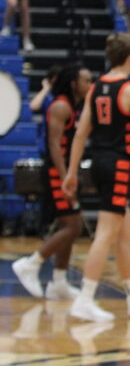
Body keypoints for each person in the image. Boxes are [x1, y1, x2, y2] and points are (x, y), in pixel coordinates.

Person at [62, 33, 130, 322]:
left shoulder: (96, 87)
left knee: (124, 233)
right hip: (119, 164)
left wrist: (71, 171)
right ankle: (85, 298)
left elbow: (81, 133)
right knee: (107, 232)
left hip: (99, 162)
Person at [11, 64, 92, 300]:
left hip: (65, 171)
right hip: (57, 171)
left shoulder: (73, 107)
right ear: (74, 83)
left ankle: (58, 282)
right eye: (86, 80)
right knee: (72, 226)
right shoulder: (60, 106)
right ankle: (31, 264)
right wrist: (66, 175)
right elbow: (53, 145)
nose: (90, 84)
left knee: (69, 225)